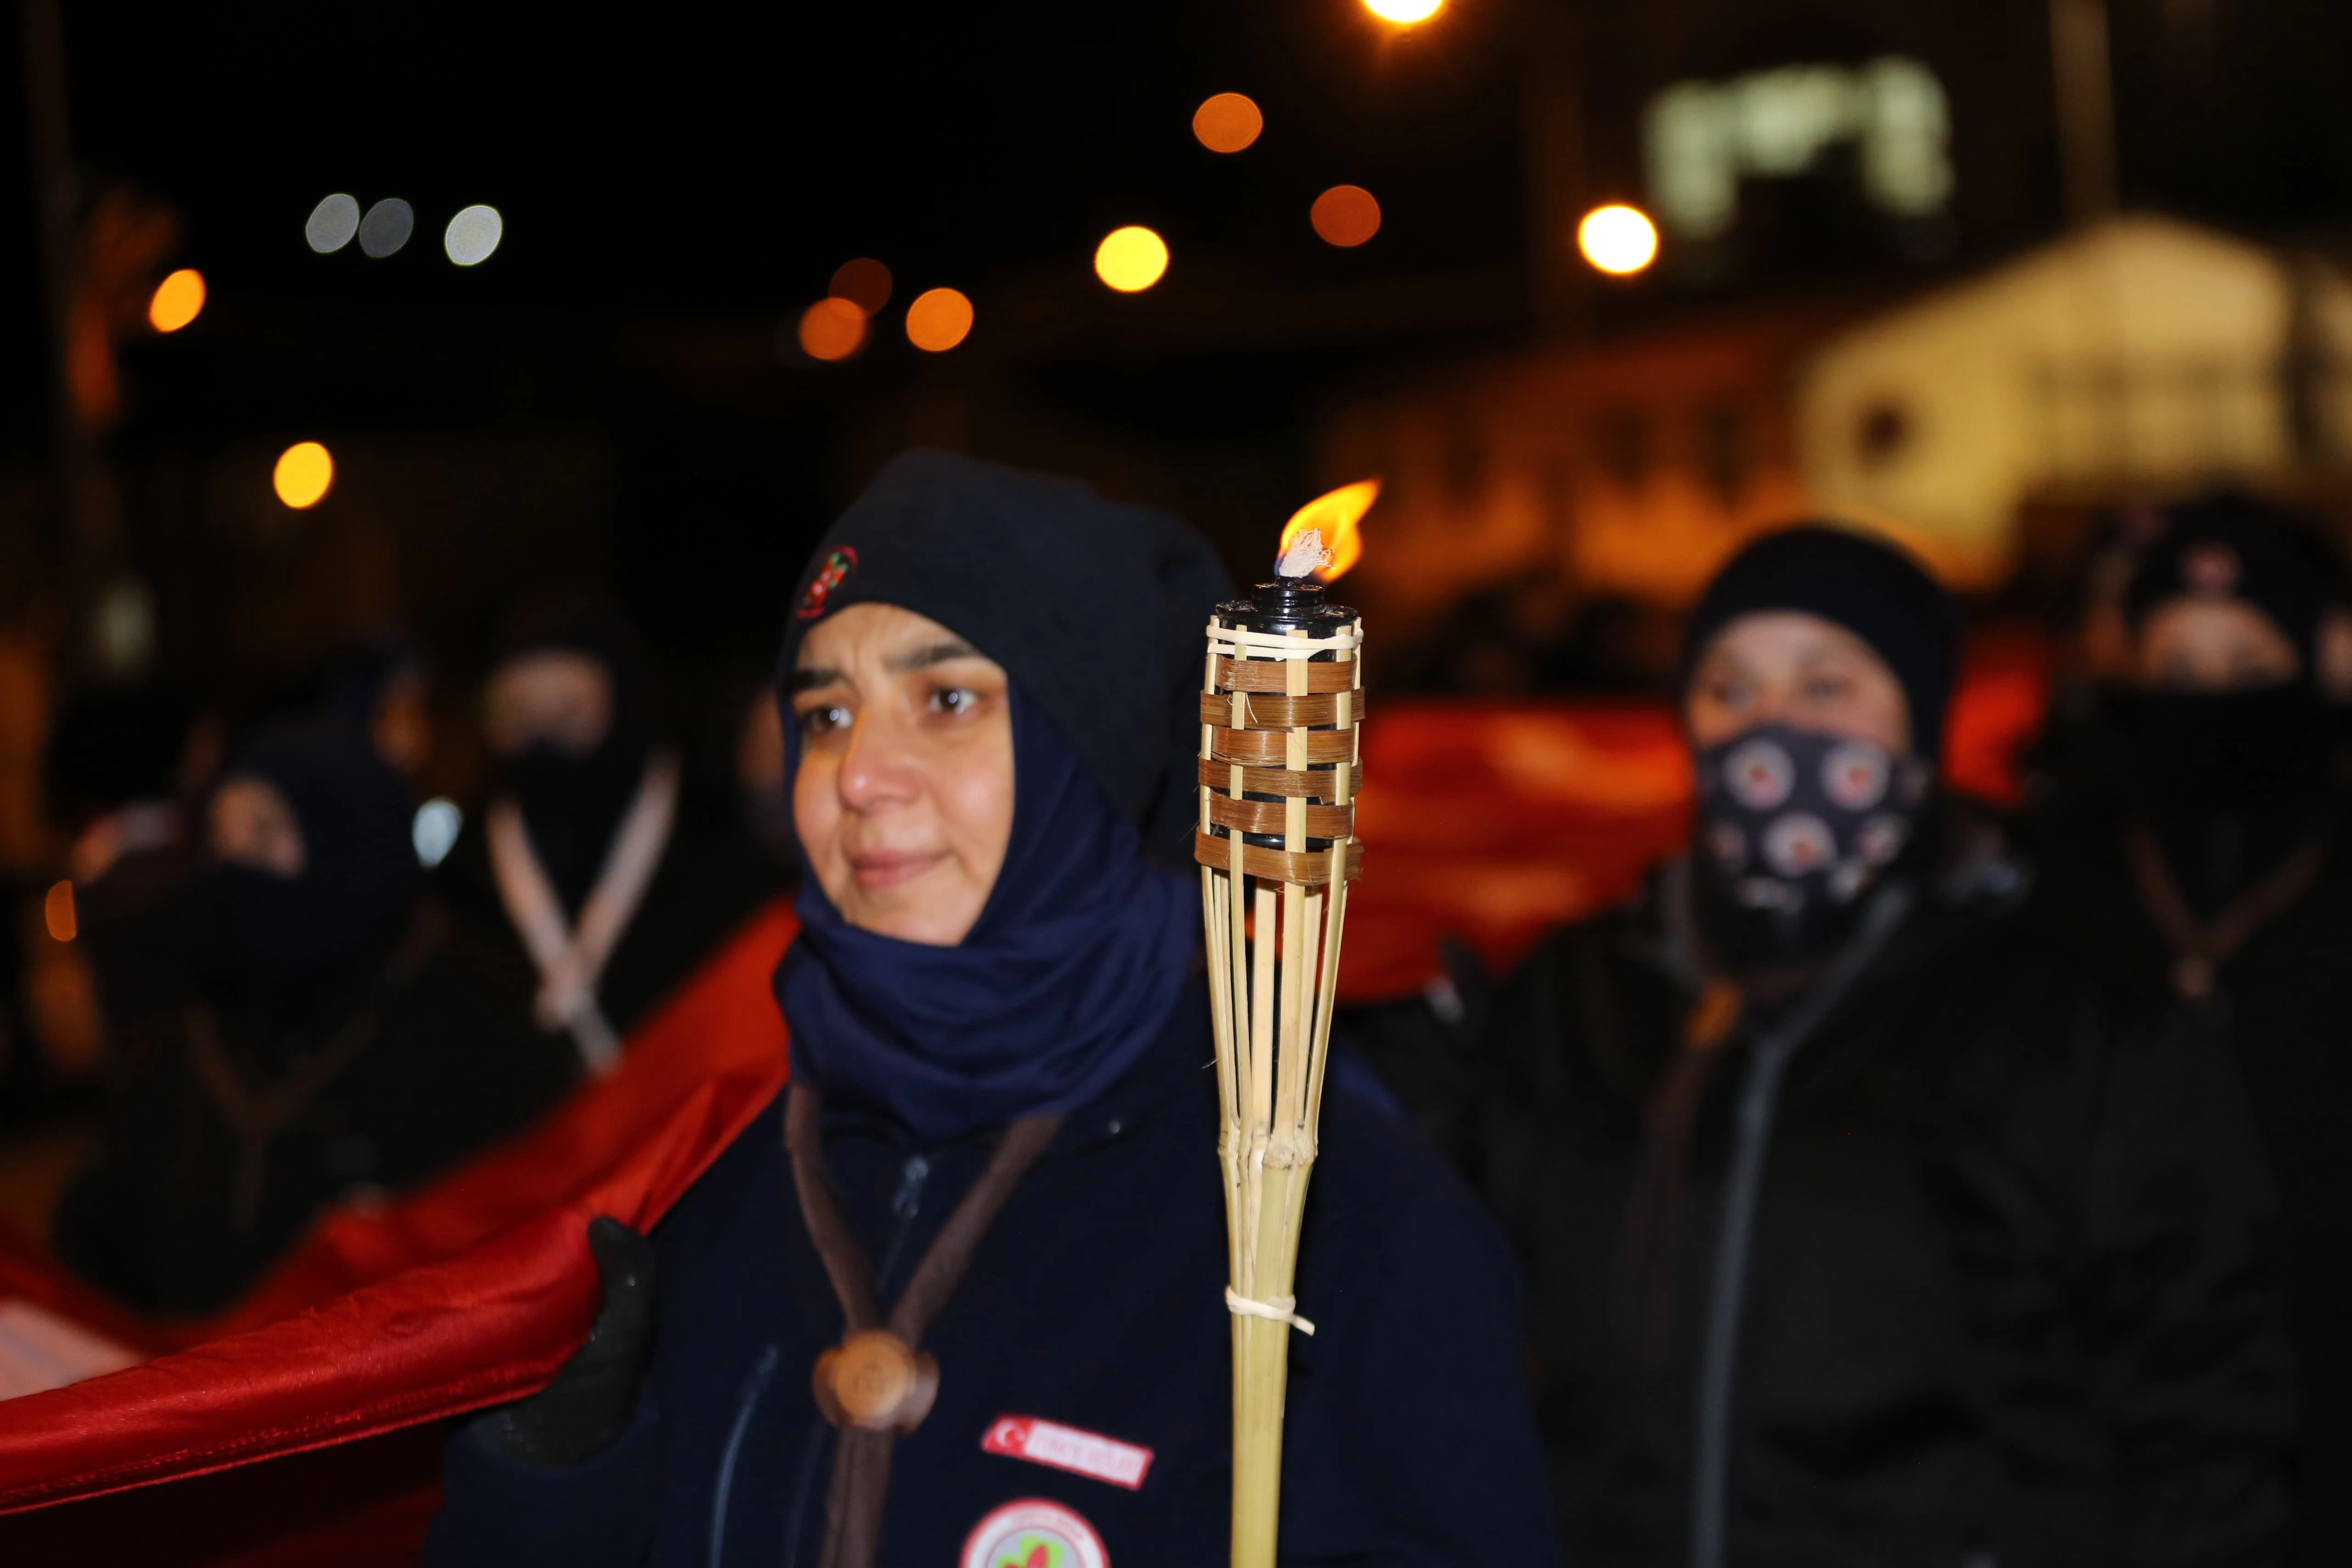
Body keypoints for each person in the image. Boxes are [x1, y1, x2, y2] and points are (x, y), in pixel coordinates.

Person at [424, 450, 1558, 1567]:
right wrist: (550, 1478)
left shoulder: (1324, 1213)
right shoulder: (701, 1177)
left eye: (948, 698)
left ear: (1090, 740)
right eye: (824, 713)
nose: (858, 773)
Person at [1457, 525, 2288, 1567]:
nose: (1770, 729)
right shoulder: (1579, 994)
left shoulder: (2071, 1017)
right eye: (1730, 687)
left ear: (1920, 718)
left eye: (1825, 686)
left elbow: (2204, 1409)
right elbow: (1466, 1334)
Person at [2023, 494, 2352, 1565]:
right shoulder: (2059, 881)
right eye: (2175, 668)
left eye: (2248, 662)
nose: (2211, 698)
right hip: (2129, 1425)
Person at [50, 720, 579, 1315]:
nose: (236, 859)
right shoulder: (191, 1022)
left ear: (345, 835)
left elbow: (518, 1234)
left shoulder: (473, 1014)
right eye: (220, 836)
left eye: (265, 831)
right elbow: (103, 1235)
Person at [432, 597, 780, 1077]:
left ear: (618, 702)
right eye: (520, 713)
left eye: (567, 710)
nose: (543, 734)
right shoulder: (466, 868)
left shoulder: (706, 834)